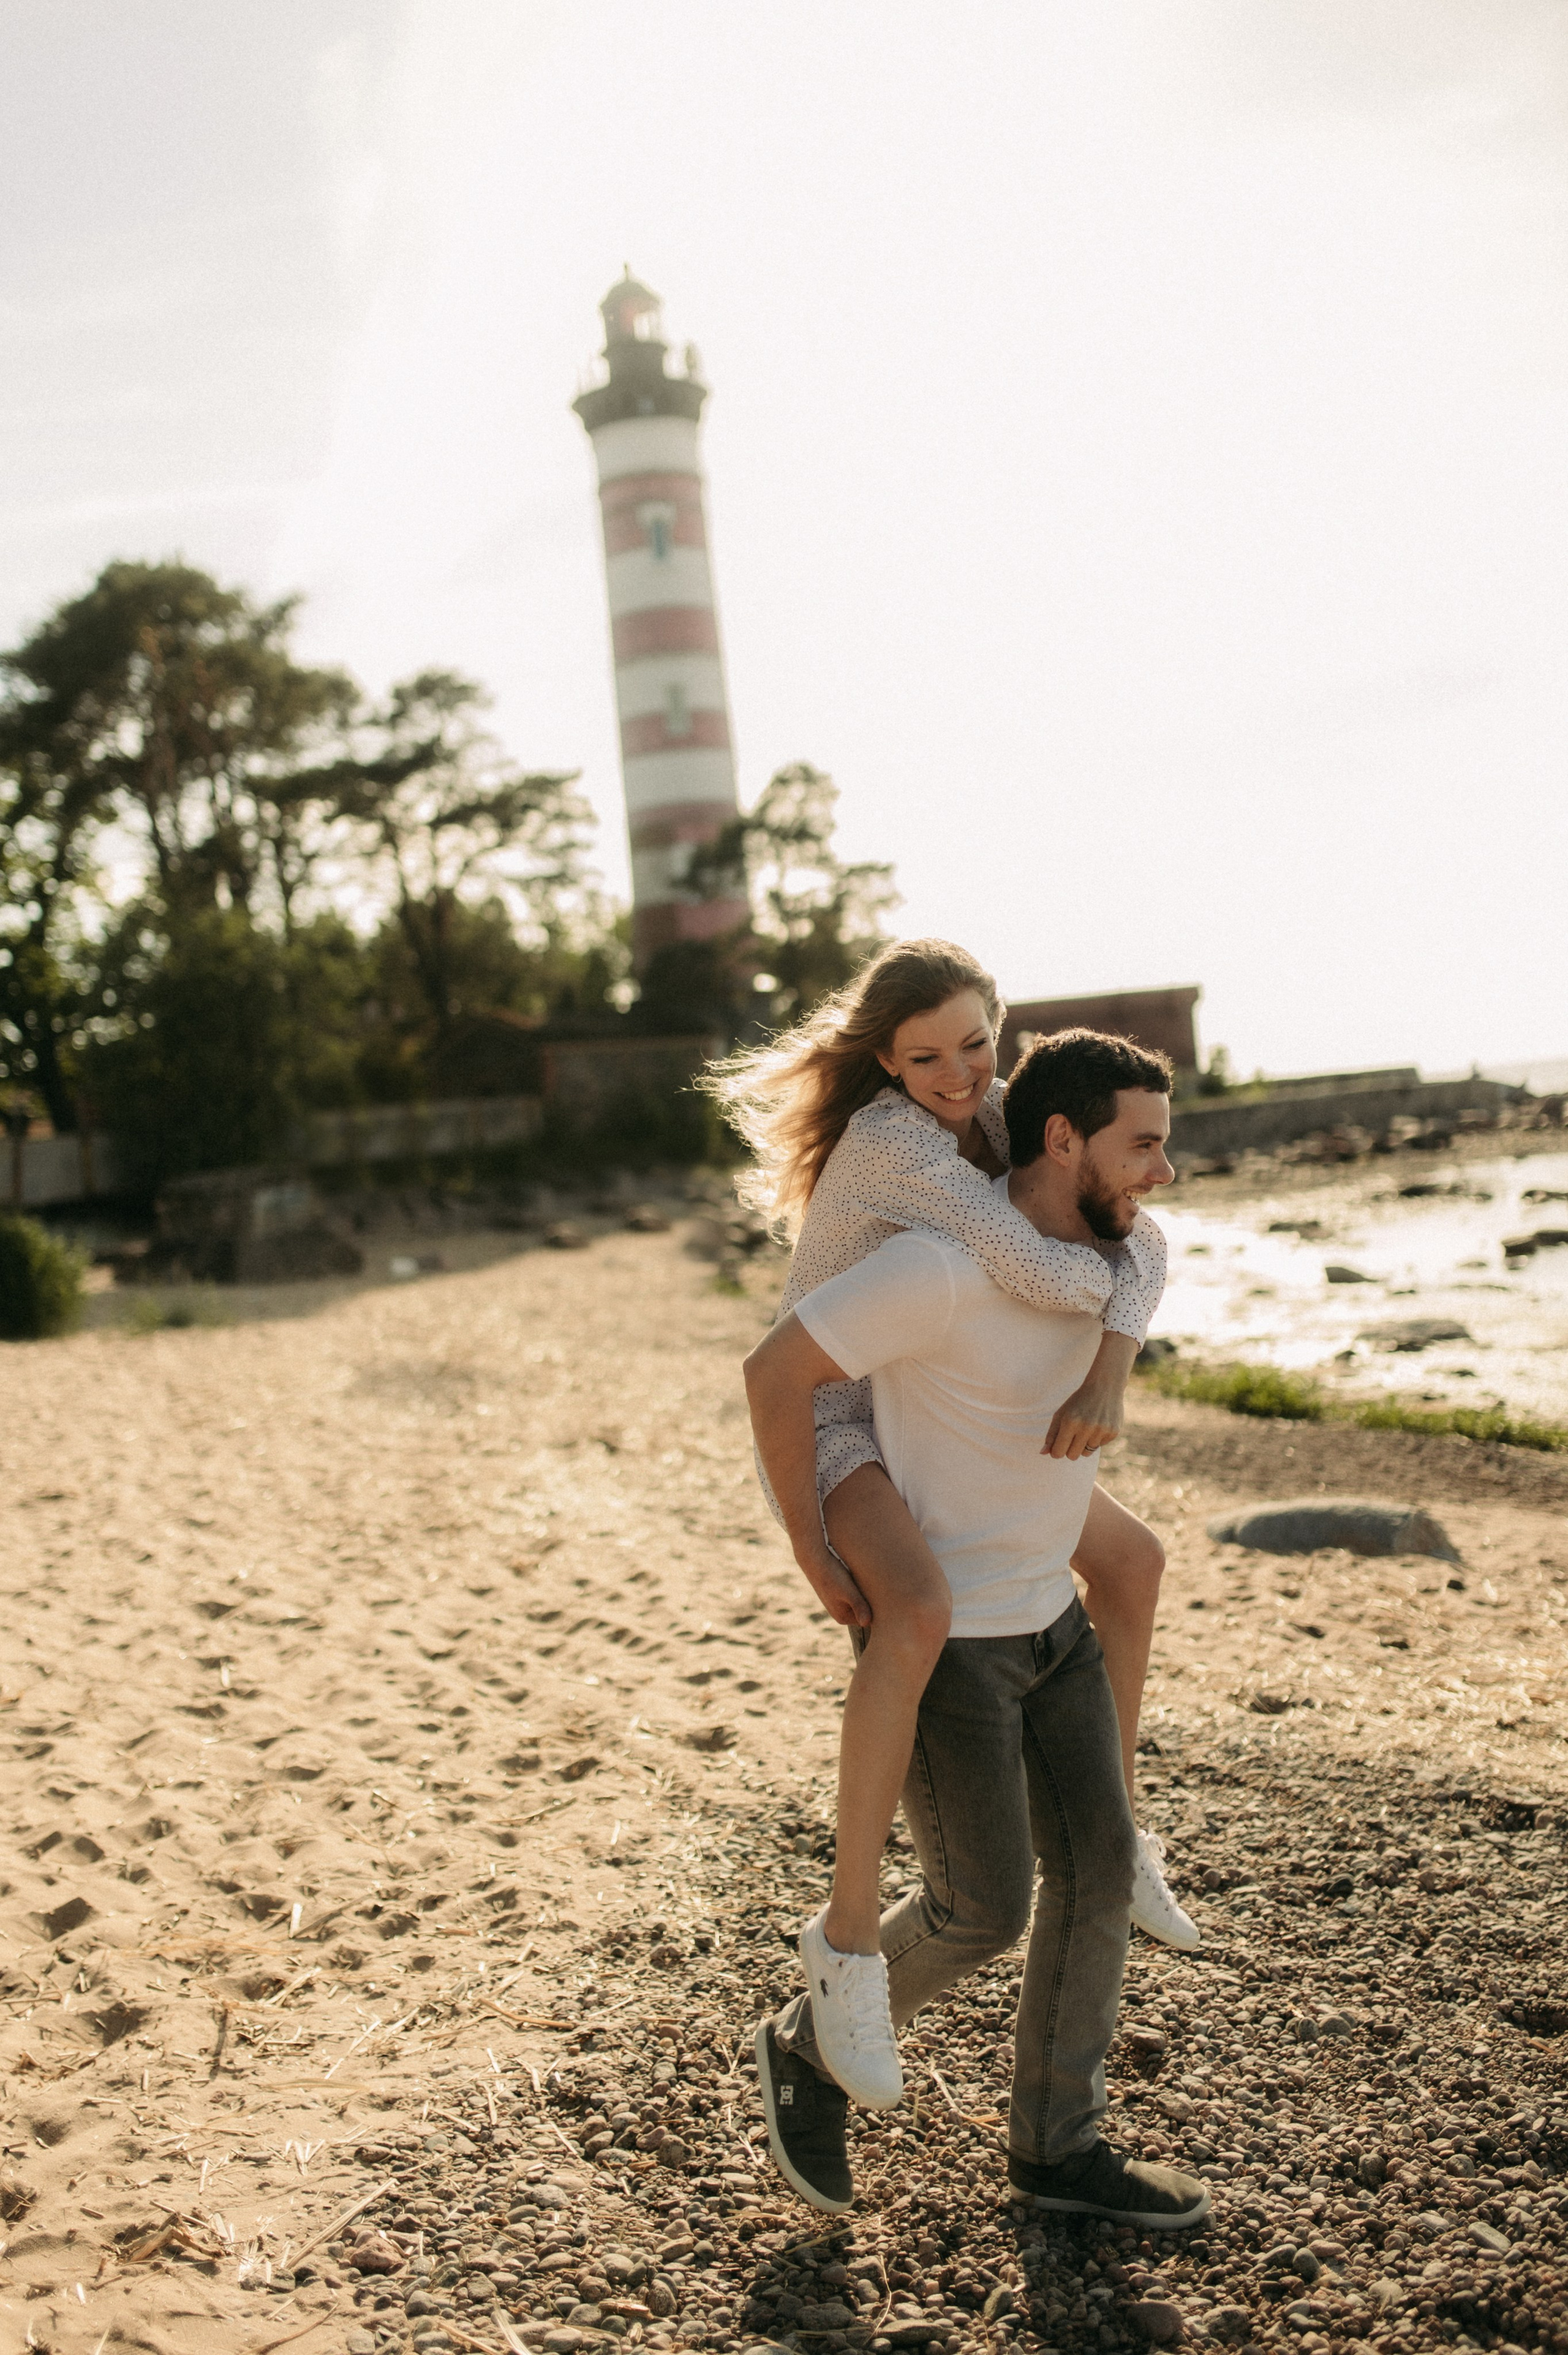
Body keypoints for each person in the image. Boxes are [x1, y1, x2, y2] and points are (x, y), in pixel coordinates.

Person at [704, 942, 1195, 2117]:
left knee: (1132, 1561)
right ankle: (845, 1939)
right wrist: (811, 1543)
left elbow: (1125, 1238)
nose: (959, 1072)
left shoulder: (995, 1127)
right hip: (833, 1420)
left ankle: (1118, 1841)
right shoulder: (900, 1148)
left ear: (1000, 1026)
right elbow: (1035, 1258)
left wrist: (1119, 1341)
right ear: (886, 1062)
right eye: (925, 1056)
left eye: (976, 1044)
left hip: (902, 1393)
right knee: (917, 1611)